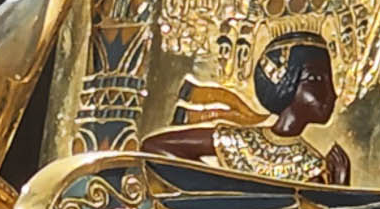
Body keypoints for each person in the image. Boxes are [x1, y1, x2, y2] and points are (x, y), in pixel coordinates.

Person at [143, 29, 351, 186]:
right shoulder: (239, 142)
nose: (332, 93)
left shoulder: (314, 167)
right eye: (316, 80)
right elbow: (155, 148)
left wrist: (339, 189)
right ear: (284, 83)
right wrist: (225, 189)